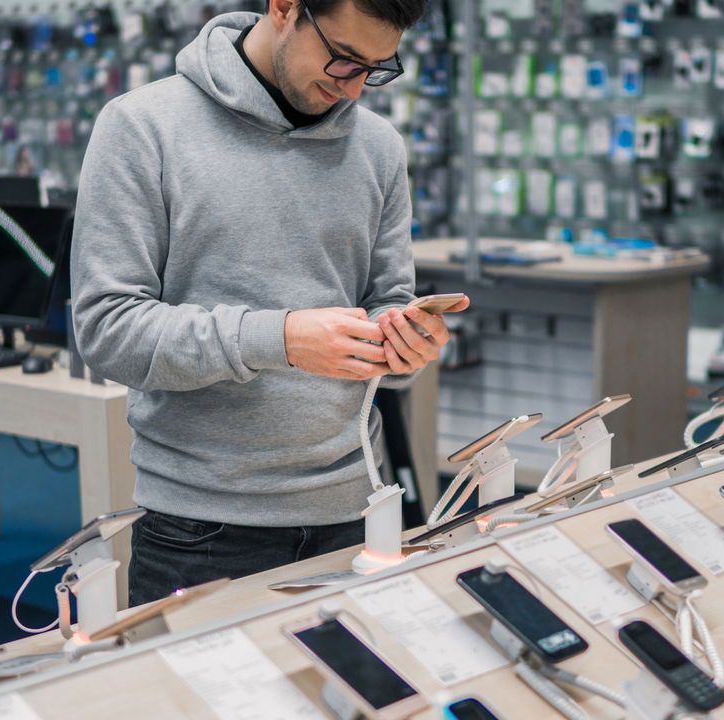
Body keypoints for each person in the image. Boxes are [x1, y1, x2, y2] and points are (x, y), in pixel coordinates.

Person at [71, 0, 467, 606]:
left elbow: (386, 299)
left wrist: (403, 339)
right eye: (343, 61)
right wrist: (279, 339)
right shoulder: (141, 126)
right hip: (201, 527)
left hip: (357, 509)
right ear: (284, 7)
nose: (355, 89)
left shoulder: (379, 146)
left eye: (377, 70)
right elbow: (108, 330)